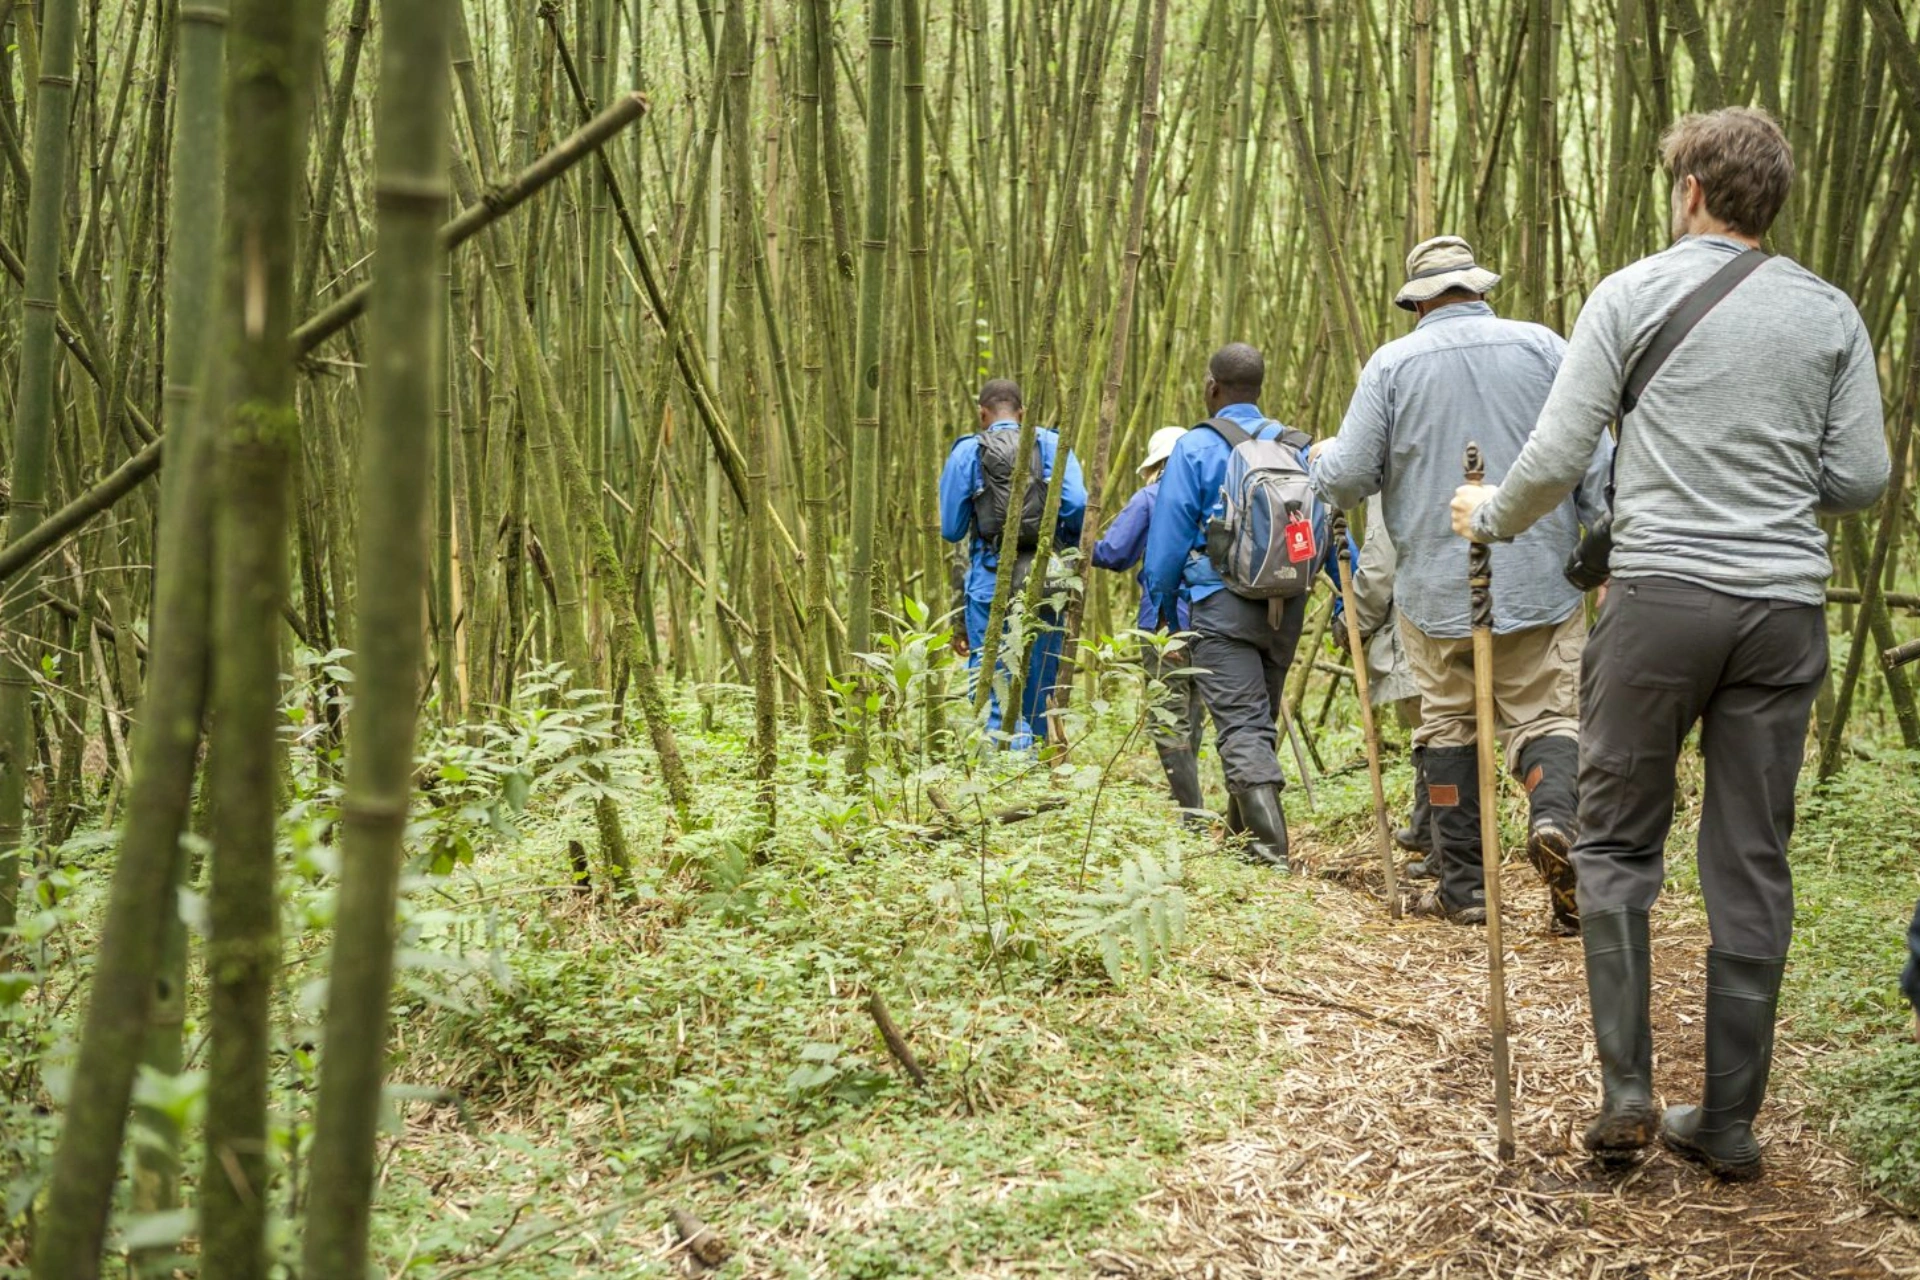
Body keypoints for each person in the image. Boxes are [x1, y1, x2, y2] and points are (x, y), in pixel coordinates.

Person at [1451, 108, 1889, 1179]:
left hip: (1657, 602)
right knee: (1751, 860)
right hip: (1782, 612)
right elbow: (1863, 477)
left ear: (1692, 186)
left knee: (1614, 840)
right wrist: (1773, 488)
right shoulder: (1830, 312)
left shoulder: (1634, 292)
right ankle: (1728, 1122)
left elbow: (1558, 453)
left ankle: (1630, 1089)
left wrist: (1490, 514)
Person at [1311, 235, 1610, 935]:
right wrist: (1603, 550)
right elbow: (1597, 459)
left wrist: (1322, 463)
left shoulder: (1392, 364)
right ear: (1481, 288)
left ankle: (1468, 891)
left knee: (1447, 725)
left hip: (1436, 590)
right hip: (1544, 578)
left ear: (1416, 301)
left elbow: (1349, 477)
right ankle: (1555, 818)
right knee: (1548, 719)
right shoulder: (1545, 347)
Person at [1143, 344, 1315, 871]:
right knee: (1257, 722)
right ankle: (1242, 844)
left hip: (1219, 606)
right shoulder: (1292, 446)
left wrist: (1161, 612)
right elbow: (1317, 528)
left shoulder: (1195, 449)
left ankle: (1271, 854)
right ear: (1258, 388)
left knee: (1241, 726)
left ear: (1212, 387)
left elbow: (1166, 545)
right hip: (1287, 605)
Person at [940, 378, 1086, 748]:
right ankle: (1036, 765)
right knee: (1040, 680)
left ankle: (1005, 766)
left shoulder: (968, 451)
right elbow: (1078, 504)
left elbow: (951, 529)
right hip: (1045, 578)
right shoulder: (1050, 443)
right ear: (1022, 413)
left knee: (995, 684)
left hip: (989, 581)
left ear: (982, 414)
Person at [1091, 427, 1209, 823]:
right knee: (1192, 713)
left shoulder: (1152, 497)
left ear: (1156, 465)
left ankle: (1193, 816)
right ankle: (1192, 813)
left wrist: (1075, 544)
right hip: (1217, 619)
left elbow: (1115, 552)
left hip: (1166, 622)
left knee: (1166, 718)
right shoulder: (1215, 495)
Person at [1330, 502, 1433, 871]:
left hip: (1422, 624)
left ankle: (1449, 853)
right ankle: (1430, 831)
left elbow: (1378, 566)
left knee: (1438, 734)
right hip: (1478, 615)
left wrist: (1352, 619)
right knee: (1440, 733)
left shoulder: (1393, 467)